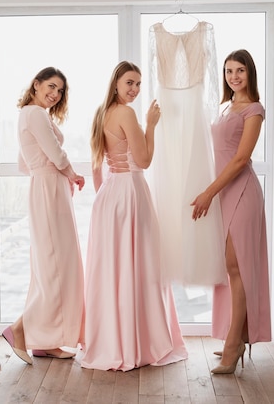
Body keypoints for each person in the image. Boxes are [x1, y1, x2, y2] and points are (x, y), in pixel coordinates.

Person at [79, 61, 188, 371]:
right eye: (129, 82)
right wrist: (152, 124)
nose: (135, 89)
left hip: (110, 195)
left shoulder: (103, 113)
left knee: (114, 268)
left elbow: (97, 165)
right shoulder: (126, 113)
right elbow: (144, 160)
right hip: (129, 192)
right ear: (116, 83)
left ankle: (113, 340)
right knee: (138, 264)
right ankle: (137, 342)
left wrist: (104, 197)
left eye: (138, 84)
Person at [190, 49, 271, 374]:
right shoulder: (226, 107)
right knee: (228, 269)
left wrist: (209, 192)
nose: (234, 76)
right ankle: (234, 336)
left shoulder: (254, 110)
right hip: (223, 192)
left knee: (237, 270)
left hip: (240, 193)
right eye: (228, 71)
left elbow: (239, 160)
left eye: (240, 70)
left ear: (250, 73)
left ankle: (234, 345)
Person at [2, 67, 85, 364]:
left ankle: (45, 340)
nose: (55, 93)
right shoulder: (35, 114)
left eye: (60, 90)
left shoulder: (30, 114)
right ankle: (19, 329)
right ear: (36, 85)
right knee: (55, 268)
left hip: (45, 187)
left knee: (50, 267)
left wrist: (47, 174)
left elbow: (24, 163)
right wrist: (71, 174)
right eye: (51, 86)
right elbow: (54, 152)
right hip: (49, 190)